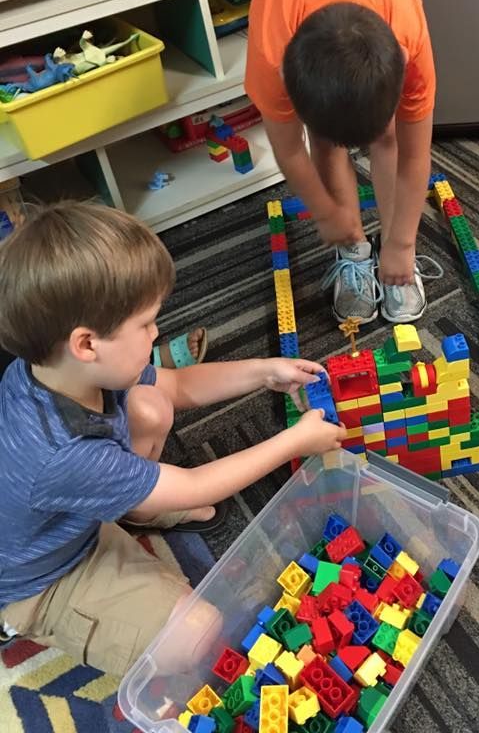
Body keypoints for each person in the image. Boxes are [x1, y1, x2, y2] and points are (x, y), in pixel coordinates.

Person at [0, 202, 345, 676]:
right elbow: (196, 485)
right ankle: (24, 618)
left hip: (65, 506)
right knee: (198, 635)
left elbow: (179, 386)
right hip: (44, 581)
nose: (157, 331)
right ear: (86, 344)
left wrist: (264, 372)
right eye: (145, 324)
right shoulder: (64, 451)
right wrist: (295, 441)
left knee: (149, 403)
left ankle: (137, 506)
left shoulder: (60, 369)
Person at [245, 0, 442, 326]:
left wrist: (402, 244)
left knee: (391, 136)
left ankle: (392, 253)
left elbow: (414, 155)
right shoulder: (270, 50)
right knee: (326, 140)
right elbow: (290, 147)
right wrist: (327, 211)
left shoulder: (410, 41)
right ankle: (353, 250)